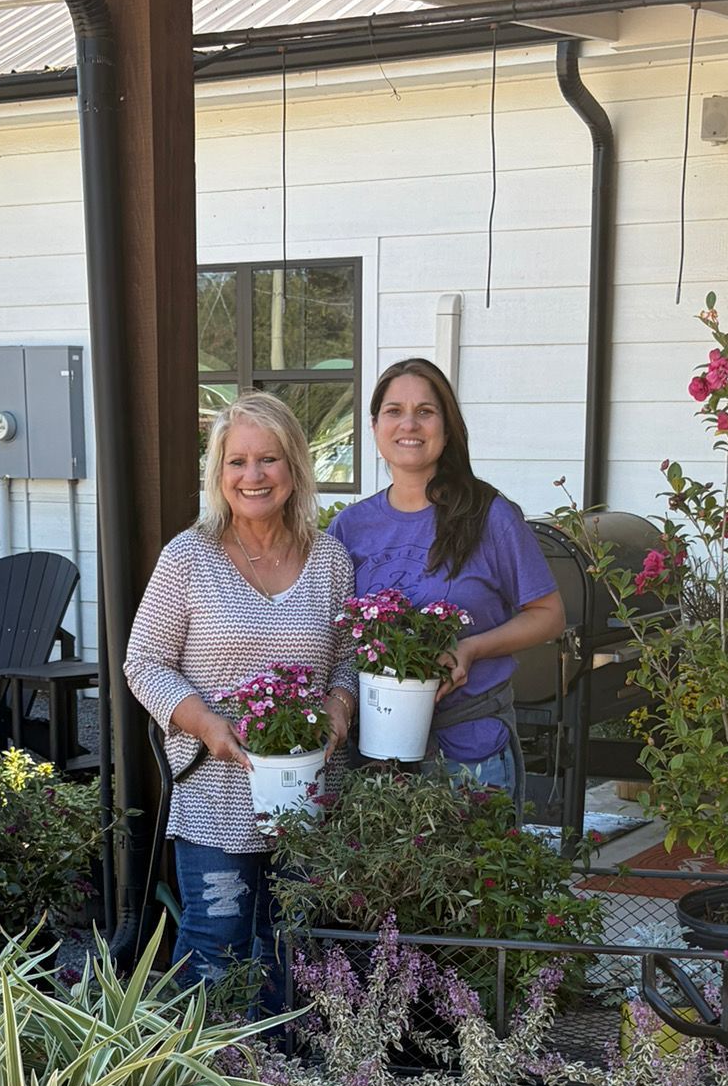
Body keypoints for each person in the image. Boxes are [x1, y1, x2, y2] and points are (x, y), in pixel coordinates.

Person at [125, 392, 356, 983]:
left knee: (293, 944)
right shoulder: (189, 557)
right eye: (237, 462)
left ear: (295, 469)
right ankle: (202, 1073)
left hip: (304, 796)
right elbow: (143, 661)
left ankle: (285, 1070)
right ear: (218, 473)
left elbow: (351, 658)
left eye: (269, 459)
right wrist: (207, 724)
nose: (252, 476)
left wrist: (338, 706)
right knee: (217, 939)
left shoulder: (329, 560)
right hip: (214, 790)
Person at [331, 358, 566, 794]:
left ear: (447, 425)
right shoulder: (350, 527)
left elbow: (549, 614)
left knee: (478, 866)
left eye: (425, 411)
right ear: (374, 425)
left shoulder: (489, 515)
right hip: (377, 762)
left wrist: (471, 648)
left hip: (470, 751)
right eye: (394, 411)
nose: (410, 424)